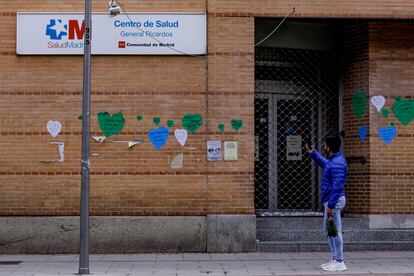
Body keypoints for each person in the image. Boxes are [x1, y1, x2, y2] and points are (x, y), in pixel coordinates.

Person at [305, 135, 348, 272]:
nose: (323, 147)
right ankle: (335, 259)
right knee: (331, 231)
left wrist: (330, 206)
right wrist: (314, 153)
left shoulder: (338, 163)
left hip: (333, 201)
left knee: (335, 232)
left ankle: (340, 261)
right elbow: (325, 164)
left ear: (329, 147)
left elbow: (336, 186)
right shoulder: (334, 161)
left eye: (324, 145)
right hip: (331, 201)